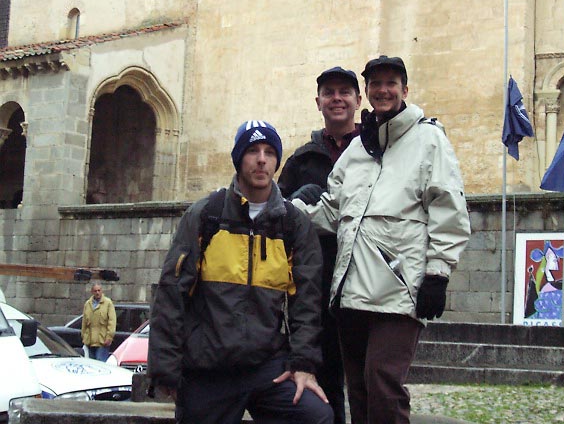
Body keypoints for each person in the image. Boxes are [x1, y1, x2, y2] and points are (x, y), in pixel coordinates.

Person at [292, 56, 471, 424]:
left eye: (391, 83)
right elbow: (332, 211)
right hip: (352, 291)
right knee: (358, 389)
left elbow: (448, 206)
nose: (383, 90)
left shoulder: (429, 140)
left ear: (405, 90)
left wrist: (438, 273)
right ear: (368, 93)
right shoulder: (358, 150)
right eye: (376, 84)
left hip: (398, 291)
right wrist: (286, 212)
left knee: (383, 380)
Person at [148, 120, 333, 424]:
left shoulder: (293, 224)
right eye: (252, 151)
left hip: (267, 368)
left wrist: (303, 364)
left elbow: (306, 303)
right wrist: (166, 369)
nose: (262, 159)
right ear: (238, 158)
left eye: (270, 152)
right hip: (208, 370)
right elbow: (171, 294)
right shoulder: (206, 214)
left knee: (316, 417)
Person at [278, 66, 362, 424]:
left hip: (366, 276)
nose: (337, 98)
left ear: (358, 100)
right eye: (329, 92)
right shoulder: (301, 159)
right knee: (325, 374)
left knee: (367, 376)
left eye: (345, 92)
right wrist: (298, 199)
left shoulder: (375, 150)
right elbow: (278, 216)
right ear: (318, 102)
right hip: (318, 281)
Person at [81, 283, 116, 361]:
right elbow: (84, 323)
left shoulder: (108, 303)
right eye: (95, 291)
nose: (97, 293)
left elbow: (112, 321)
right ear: (92, 292)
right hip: (90, 342)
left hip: (102, 341)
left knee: (100, 364)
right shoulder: (88, 304)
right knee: (91, 365)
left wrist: (109, 337)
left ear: (102, 291)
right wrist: (84, 336)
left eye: (99, 290)